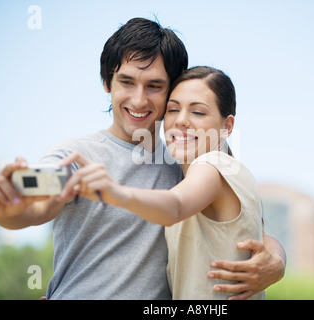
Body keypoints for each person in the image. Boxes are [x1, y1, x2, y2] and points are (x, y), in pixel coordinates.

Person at [0, 17, 286, 300]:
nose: (139, 100)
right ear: (107, 83)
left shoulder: (190, 164)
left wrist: (276, 262)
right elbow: (37, 204)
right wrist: (5, 211)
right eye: (126, 82)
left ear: (171, 90)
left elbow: (251, 232)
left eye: (154, 86)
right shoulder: (77, 155)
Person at [60, 66, 266, 300]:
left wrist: (114, 191)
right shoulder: (231, 172)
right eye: (173, 109)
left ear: (227, 127)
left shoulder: (212, 165)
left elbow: (175, 206)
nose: (181, 120)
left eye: (198, 112)